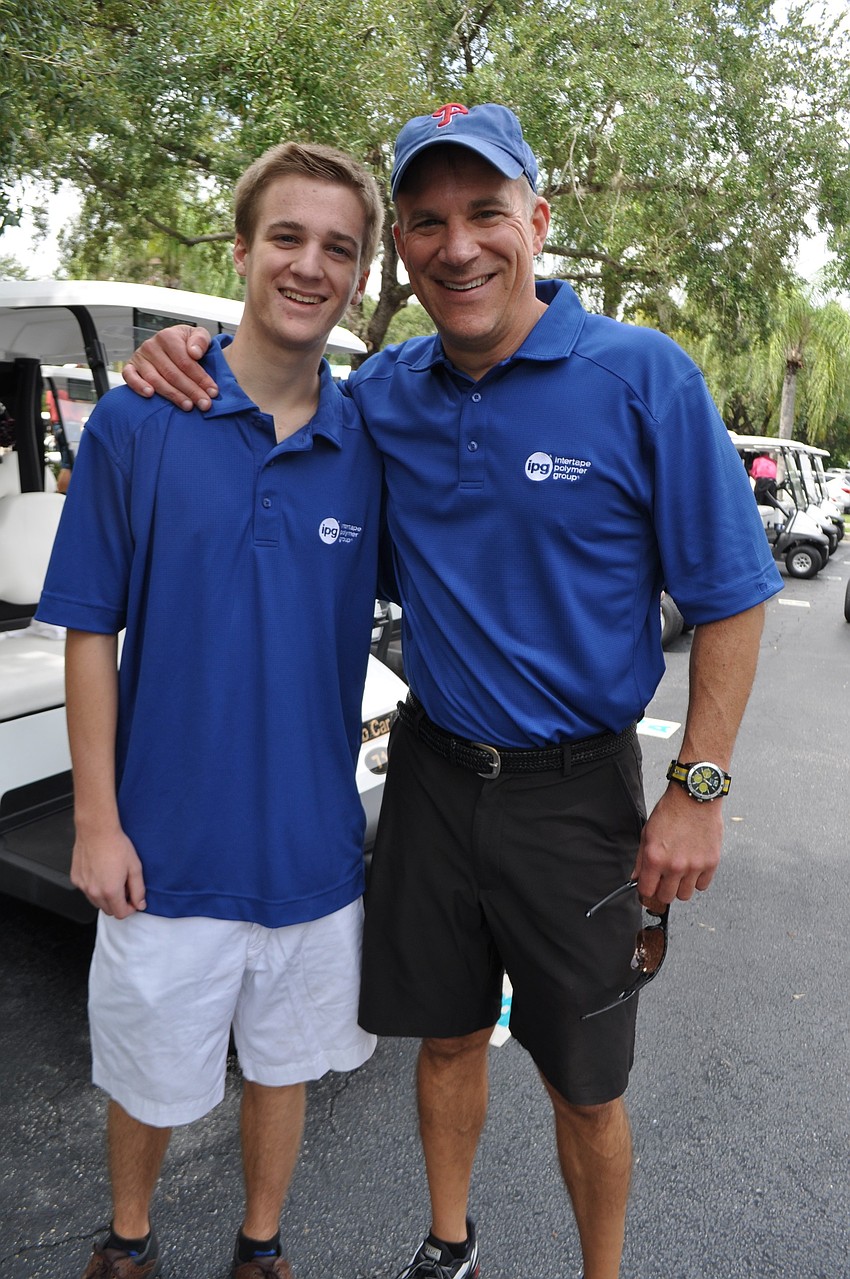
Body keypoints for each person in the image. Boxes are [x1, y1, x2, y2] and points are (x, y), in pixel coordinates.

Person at [122, 104, 783, 1279]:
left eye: (485, 212)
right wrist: (181, 354)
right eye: (427, 221)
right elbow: (265, 399)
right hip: (433, 770)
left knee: (584, 1080)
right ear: (403, 252)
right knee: (445, 1033)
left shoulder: (642, 377)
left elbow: (731, 592)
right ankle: (448, 1241)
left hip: (577, 791)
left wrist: (698, 786)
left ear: (538, 218)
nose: (459, 244)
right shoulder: (384, 393)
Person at [36, 141, 385, 1279]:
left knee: (281, 1065)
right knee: (149, 1071)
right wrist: (97, 819)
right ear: (241, 249)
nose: (307, 264)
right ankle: (126, 1242)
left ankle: (259, 1244)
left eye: (337, 247)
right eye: (286, 236)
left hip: (311, 846)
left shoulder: (373, 442)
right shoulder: (140, 421)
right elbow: (89, 630)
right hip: (163, 839)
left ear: (359, 275)